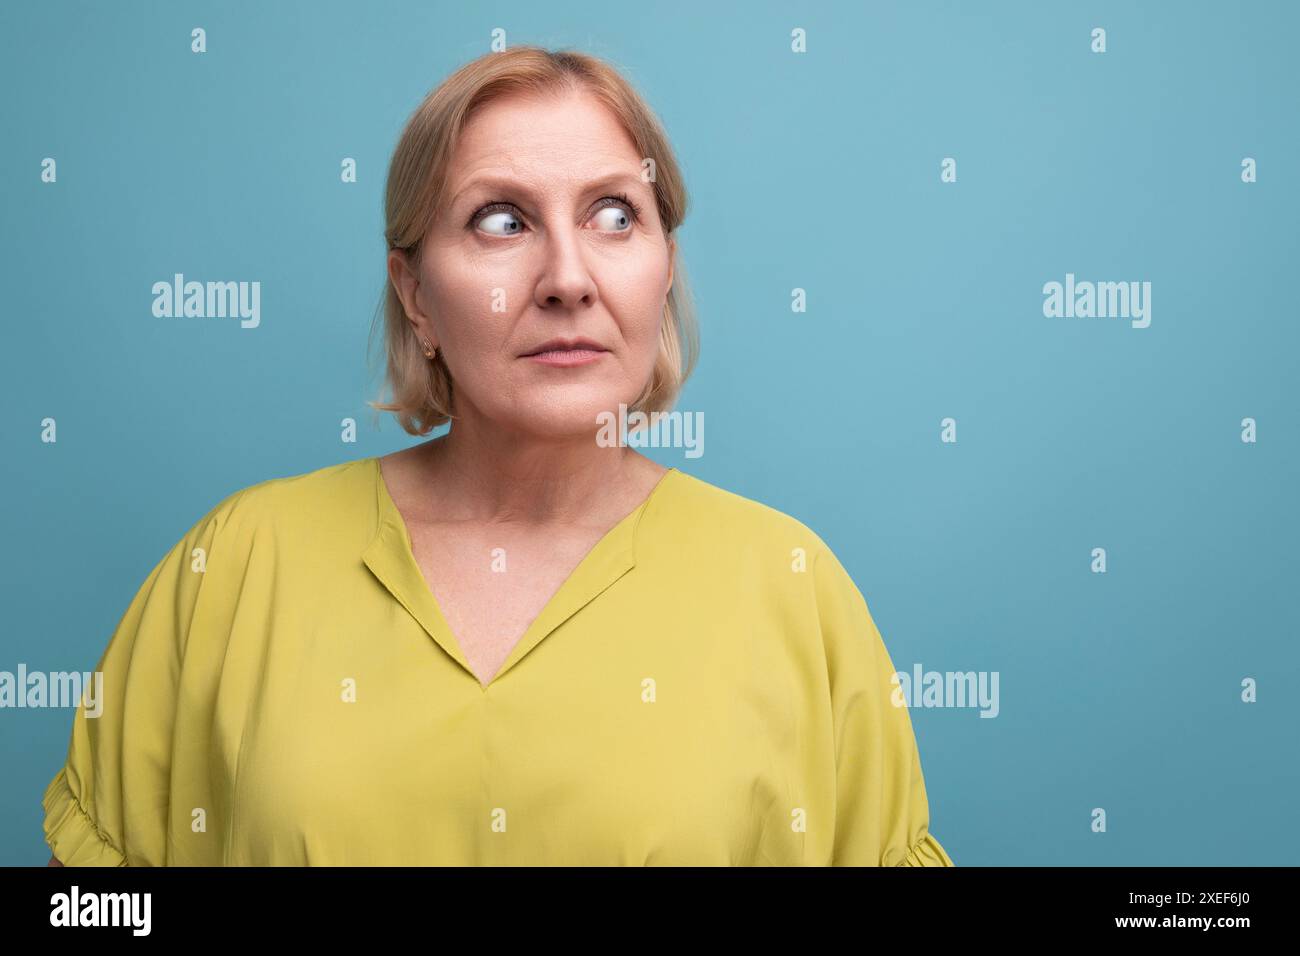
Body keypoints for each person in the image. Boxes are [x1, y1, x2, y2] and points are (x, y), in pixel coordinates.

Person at [43, 45, 953, 866]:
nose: (566, 278)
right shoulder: (235, 570)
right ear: (415, 294)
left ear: (664, 267)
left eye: (612, 214)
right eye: (501, 221)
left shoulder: (792, 588)